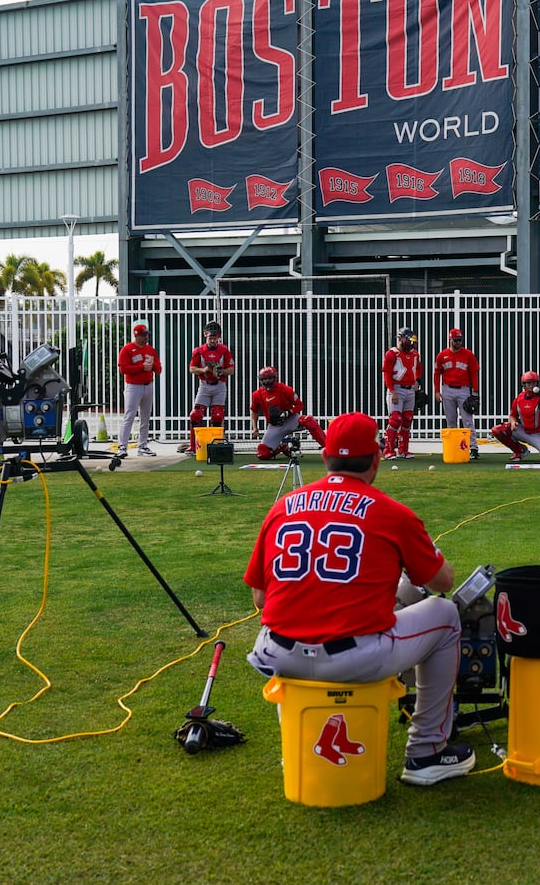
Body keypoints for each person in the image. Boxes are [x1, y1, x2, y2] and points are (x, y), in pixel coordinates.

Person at [244, 411, 476, 786]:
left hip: (278, 655)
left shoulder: (283, 506)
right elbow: (443, 581)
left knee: (395, 599)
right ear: (376, 458)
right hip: (353, 656)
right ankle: (426, 752)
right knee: (445, 613)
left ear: (325, 457)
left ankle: (300, 753)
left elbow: (259, 599)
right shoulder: (390, 512)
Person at [248, 366, 328, 460]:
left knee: (308, 420)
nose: (267, 381)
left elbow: (300, 405)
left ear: (275, 378)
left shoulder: (285, 389)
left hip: (291, 420)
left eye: (269, 378)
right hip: (275, 426)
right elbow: (254, 411)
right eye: (264, 379)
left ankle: (329, 448)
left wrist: (288, 413)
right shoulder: (256, 395)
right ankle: (281, 447)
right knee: (263, 454)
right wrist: (254, 427)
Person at [184, 320, 235, 455]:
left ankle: (215, 445)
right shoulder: (199, 351)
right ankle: (194, 446)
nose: (212, 341)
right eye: (210, 338)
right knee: (196, 415)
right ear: (206, 337)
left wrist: (220, 372)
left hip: (219, 385)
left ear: (218, 337)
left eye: (215, 338)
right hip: (205, 385)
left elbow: (231, 370)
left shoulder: (224, 351)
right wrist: (204, 370)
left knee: (218, 415)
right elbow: (192, 368)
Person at [489, 370, 540, 462]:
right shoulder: (519, 398)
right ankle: (520, 450)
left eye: (533, 382)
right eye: (528, 383)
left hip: (539, 435)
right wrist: (513, 422)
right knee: (497, 430)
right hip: (524, 431)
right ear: (523, 384)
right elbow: (513, 415)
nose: (531, 385)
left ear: (537, 383)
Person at [433, 327, 481, 460]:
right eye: (456, 340)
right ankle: (454, 448)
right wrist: (437, 391)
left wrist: (475, 391)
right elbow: (437, 373)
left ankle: (473, 447)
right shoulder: (442, 355)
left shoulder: (468, 354)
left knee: (467, 420)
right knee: (451, 421)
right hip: (447, 389)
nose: (458, 342)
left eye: (460, 340)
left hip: (463, 389)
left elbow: (474, 373)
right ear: (450, 340)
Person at [115, 322, 161, 458]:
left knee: (145, 417)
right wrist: (141, 367)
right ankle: (122, 446)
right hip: (133, 386)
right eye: (143, 335)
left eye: (146, 335)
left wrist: (152, 366)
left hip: (148, 384)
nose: (146, 337)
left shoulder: (150, 350)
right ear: (137, 335)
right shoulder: (127, 349)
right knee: (129, 416)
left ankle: (143, 446)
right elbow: (123, 369)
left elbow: (159, 369)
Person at [381, 326, 424, 460]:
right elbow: (387, 374)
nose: (411, 342)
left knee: (407, 420)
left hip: (410, 389)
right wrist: (392, 391)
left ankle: (403, 449)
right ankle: (388, 449)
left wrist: (417, 381)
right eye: (408, 339)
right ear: (401, 338)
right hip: (397, 389)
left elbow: (418, 368)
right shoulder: (392, 354)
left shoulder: (415, 354)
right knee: (395, 419)